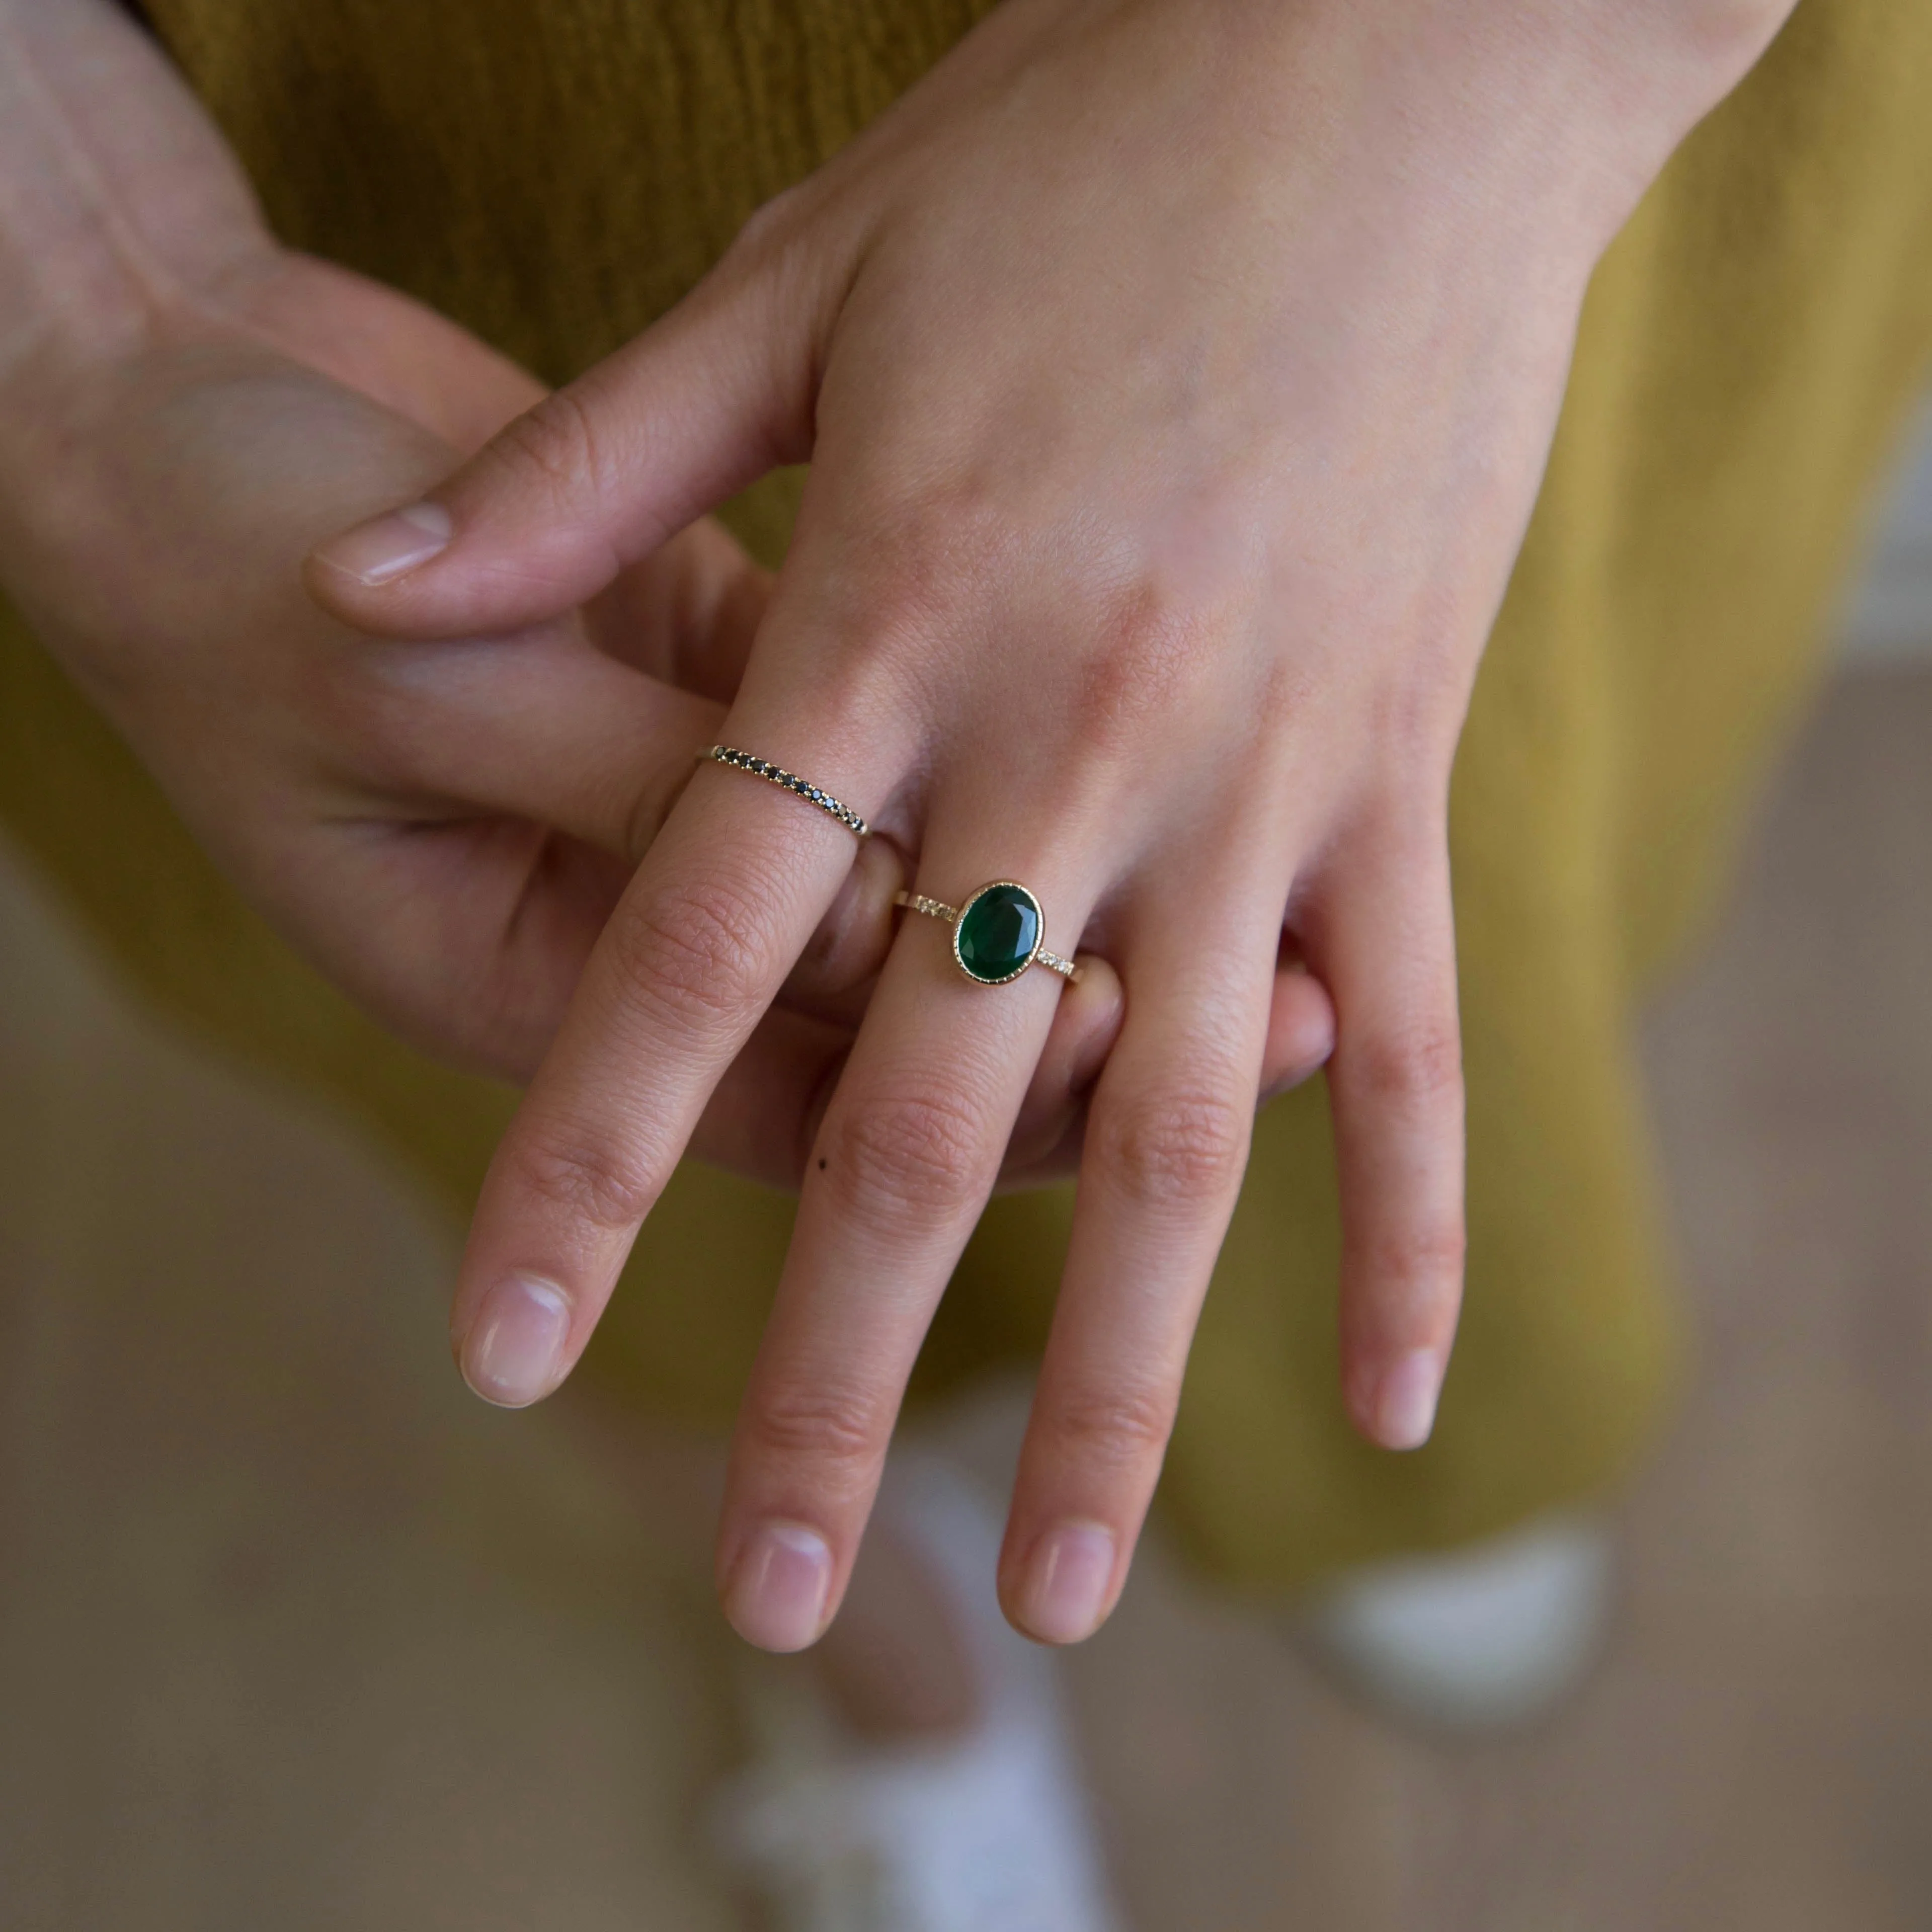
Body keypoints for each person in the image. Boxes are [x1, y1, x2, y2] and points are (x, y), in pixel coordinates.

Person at [6, 0, 1930, 1919]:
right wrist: (86, 302)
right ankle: (889, 1662)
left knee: (1394, 960)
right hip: (316, 187)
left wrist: (1488, 61)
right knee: (610, 1110)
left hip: (1449, 220)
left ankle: (1345, 1460)